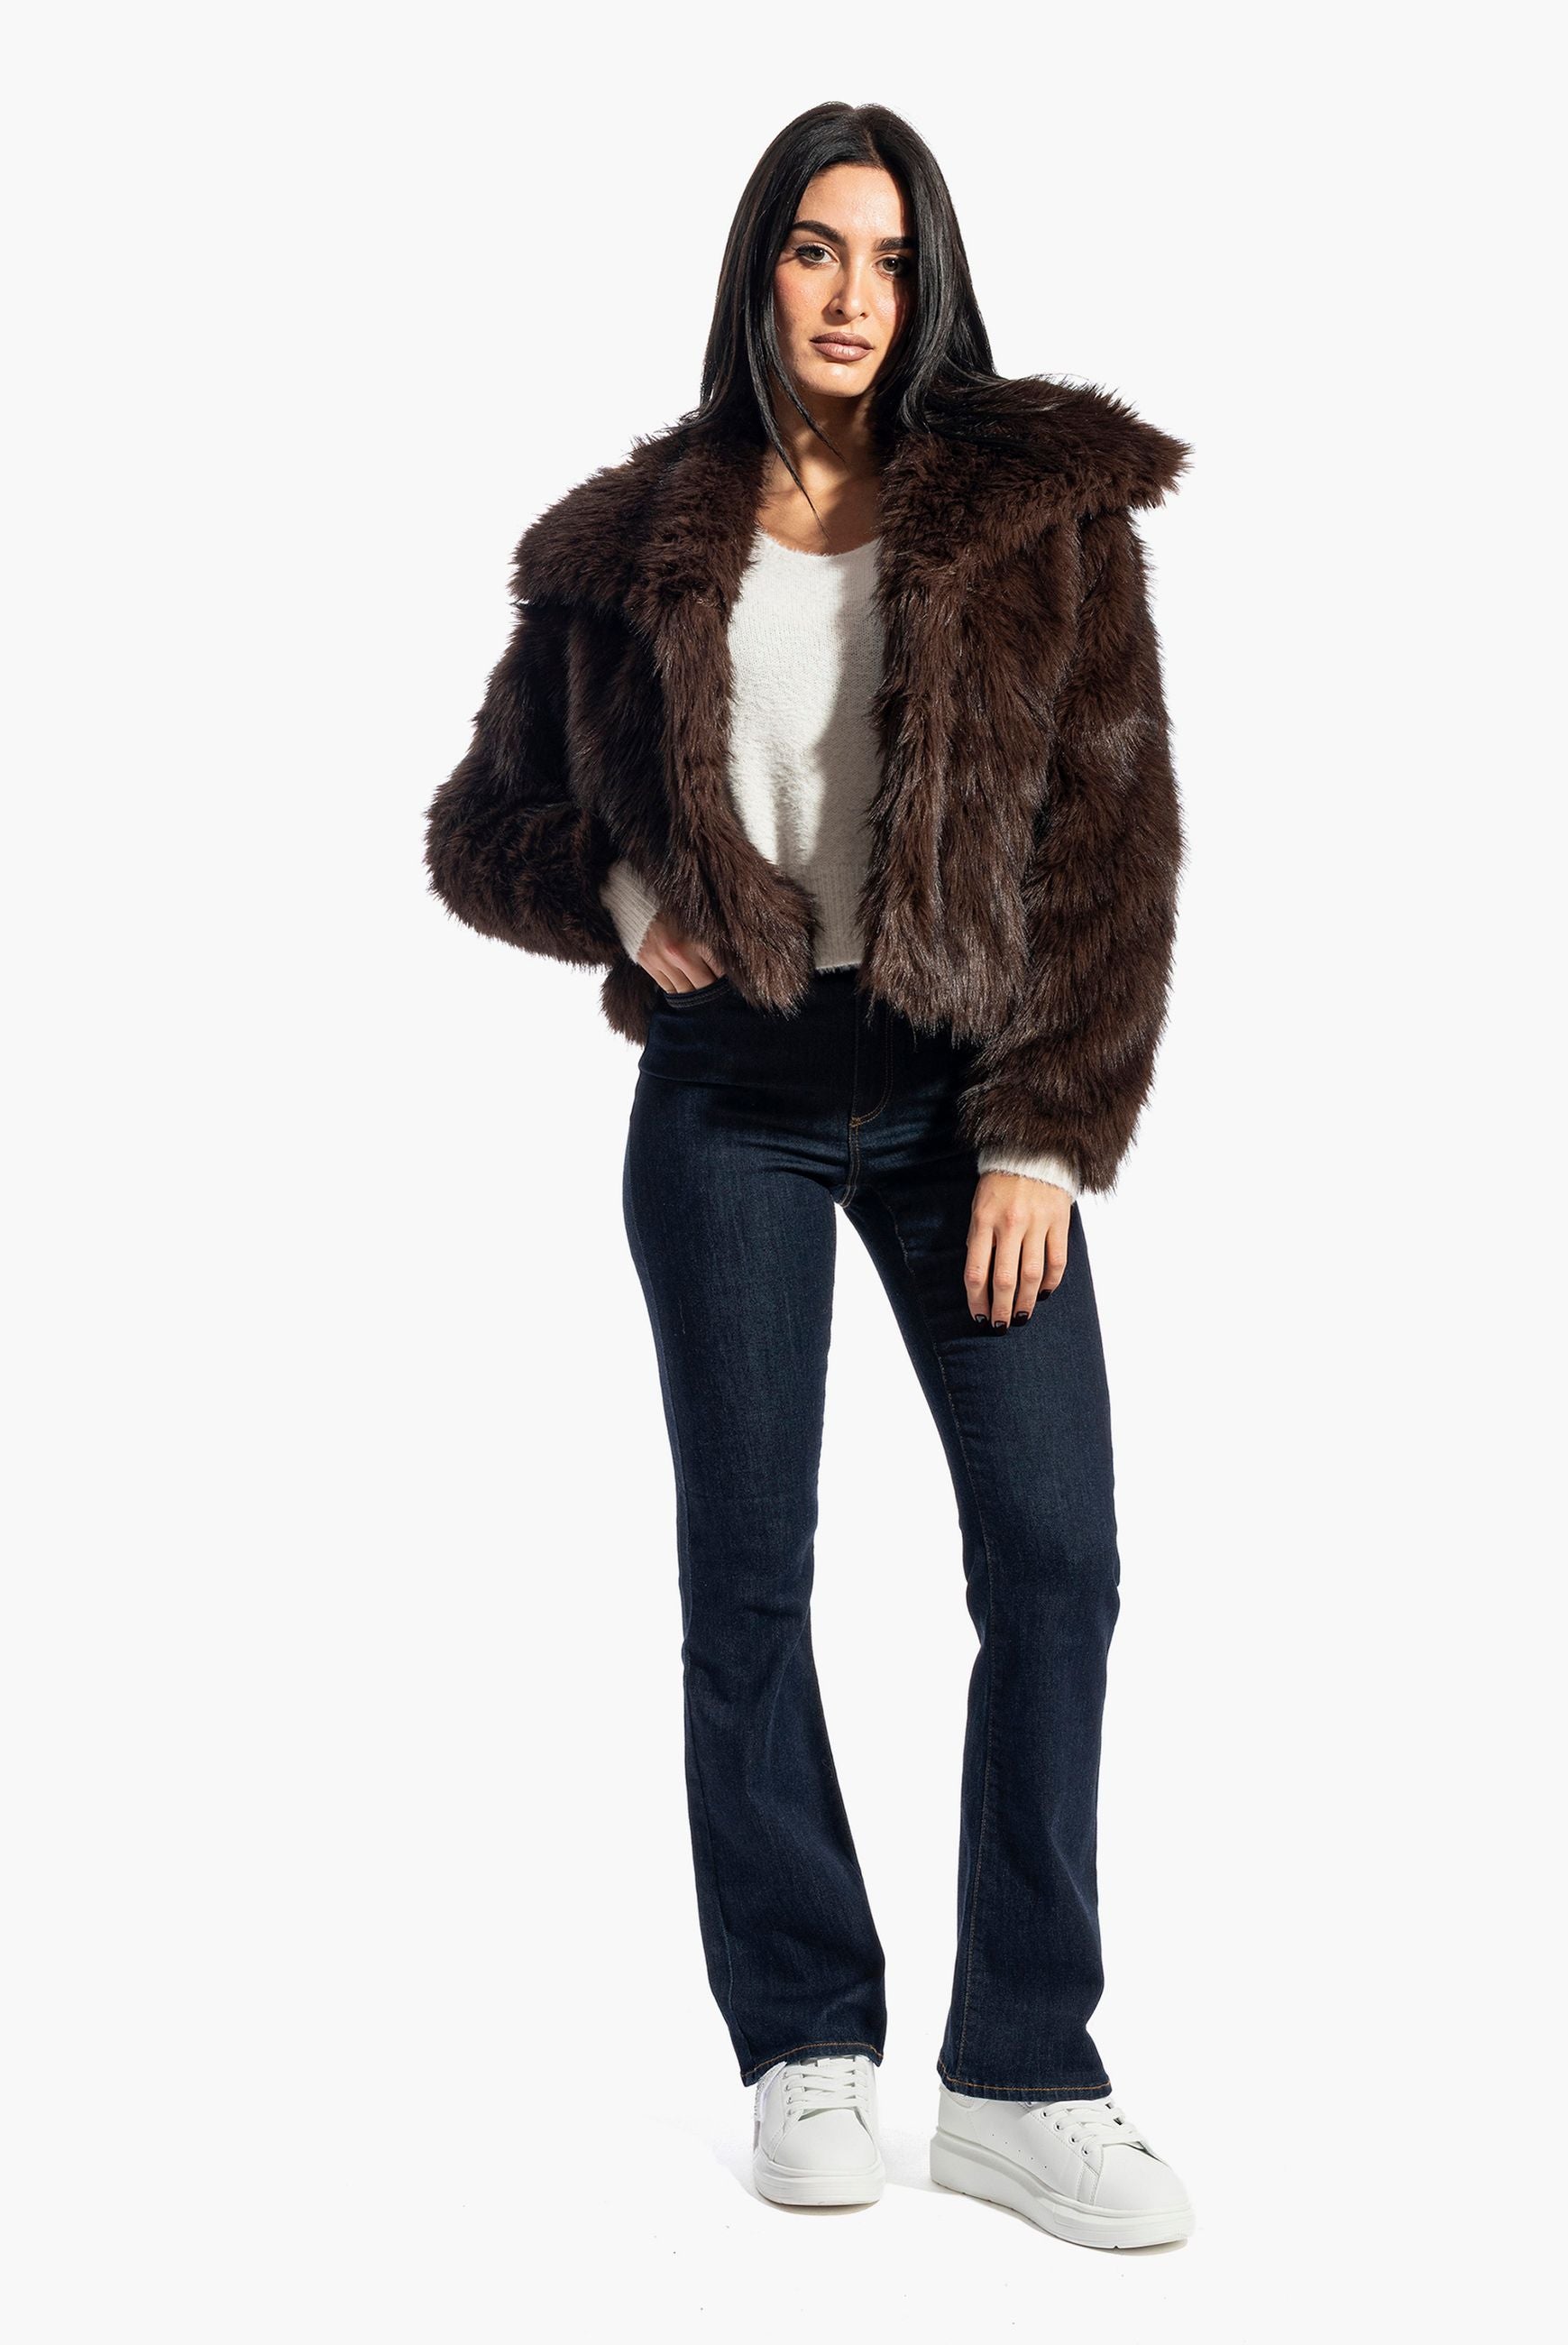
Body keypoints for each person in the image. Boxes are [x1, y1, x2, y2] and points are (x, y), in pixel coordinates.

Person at [424, 99, 1194, 2253]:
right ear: (759, 268)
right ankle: (804, 2038)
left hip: (963, 1100)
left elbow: (1111, 841)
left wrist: (1043, 1133)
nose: (855, 295)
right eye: (815, 249)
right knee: (749, 1577)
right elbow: (486, 825)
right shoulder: (631, 545)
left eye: (890, 256)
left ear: (932, 282)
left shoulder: (1038, 517)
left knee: (1056, 1561)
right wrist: (628, 896)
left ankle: (1024, 2071)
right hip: (728, 1097)